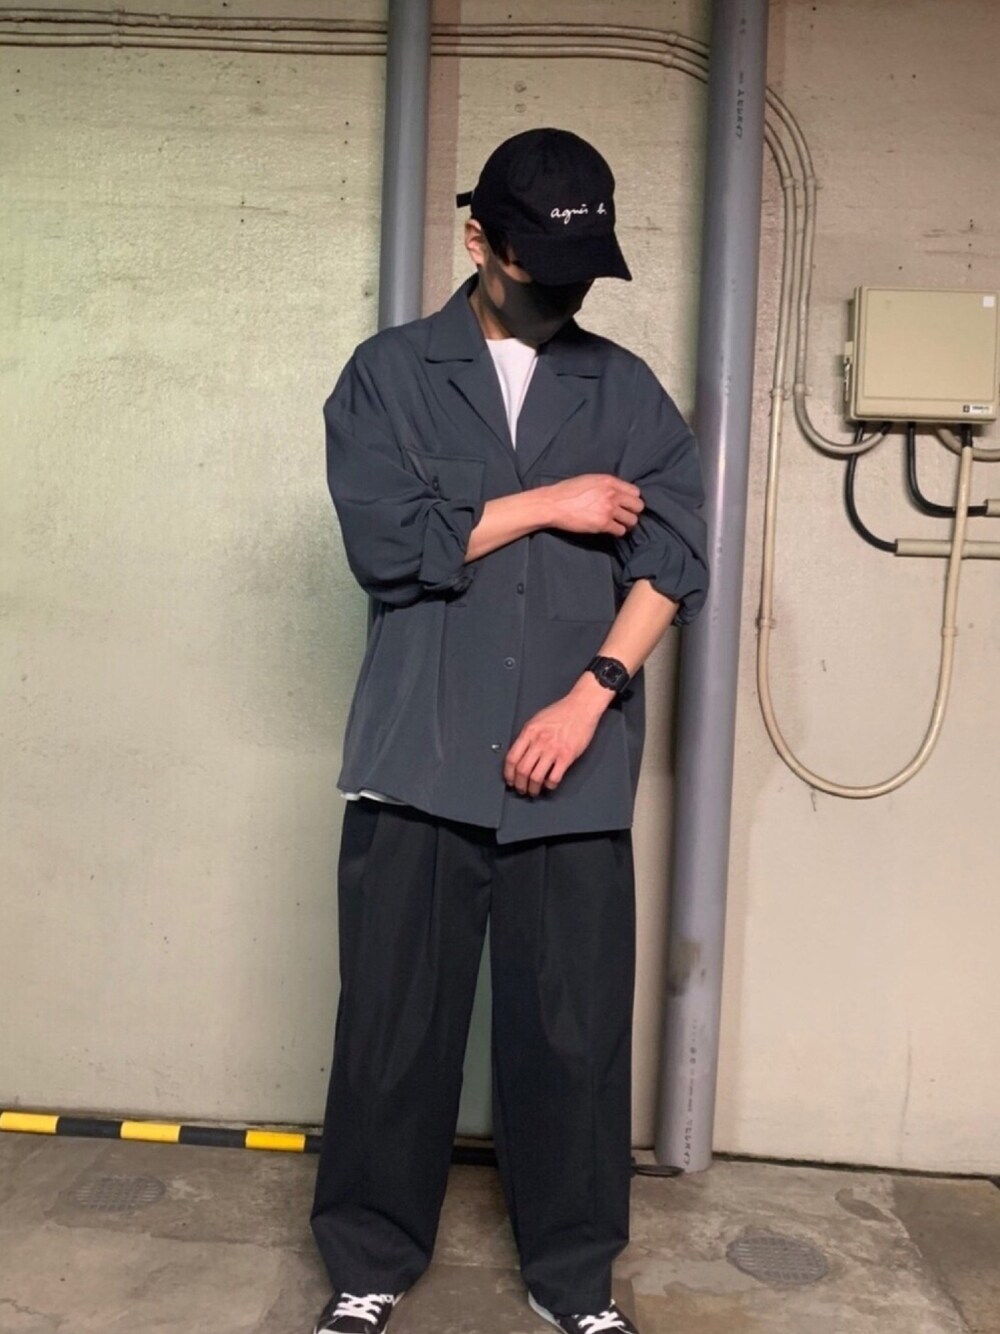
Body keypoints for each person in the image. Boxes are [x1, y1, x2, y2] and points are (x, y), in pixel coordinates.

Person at [309, 127, 709, 1334]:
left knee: (573, 1041)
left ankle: (573, 1279)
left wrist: (591, 693)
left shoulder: (623, 390)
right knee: (391, 1034)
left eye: (582, 271)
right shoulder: (388, 374)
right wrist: (553, 501)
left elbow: (673, 556)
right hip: (419, 759)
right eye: (541, 266)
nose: (564, 294)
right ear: (477, 237)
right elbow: (389, 546)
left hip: (569, 772)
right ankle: (368, 1263)